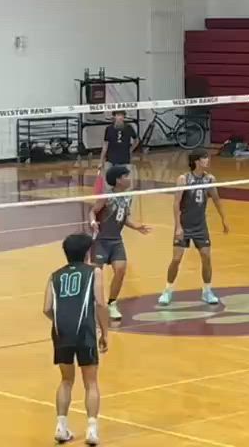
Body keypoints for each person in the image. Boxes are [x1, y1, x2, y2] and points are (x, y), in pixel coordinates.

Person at [44, 233, 109, 445]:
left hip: (61, 332)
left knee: (66, 380)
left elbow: (46, 308)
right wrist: (105, 333)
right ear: (87, 253)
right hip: (85, 331)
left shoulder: (54, 276)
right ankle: (91, 430)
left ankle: (61, 427)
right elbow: (101, 304)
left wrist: (62, 321)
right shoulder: (94, 272)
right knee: (91, 382)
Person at [159, 149, 229, 306]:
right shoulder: (184, 179)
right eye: (205, 158)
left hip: (200, 226)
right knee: (176, 259)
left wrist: (224, 219)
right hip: (184, 225)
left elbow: (216, 199)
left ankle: (207, 291)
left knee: (206, 257)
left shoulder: (210, 179)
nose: (207, 160)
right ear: (197, 161)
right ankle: (167, 290)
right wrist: (178, 227)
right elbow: (176, 203)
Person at [88, 165, 151, 321]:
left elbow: (124, 217)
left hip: (116, 241)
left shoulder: (128, 197)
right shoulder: (106, 196)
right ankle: (91, 303)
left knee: (121, 270)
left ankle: (112, 303)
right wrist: (93, 222)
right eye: (126, 176)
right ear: (118, 180)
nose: (129, 179)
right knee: (95, 274)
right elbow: (92, 211)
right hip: (101, 241)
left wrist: (136, 226)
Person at [99, 110, 139, 178]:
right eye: (118, 115)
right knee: (109, 178)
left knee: (123, 179)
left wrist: (131, 149)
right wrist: (101, 161)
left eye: (121, 115)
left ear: (124, 117)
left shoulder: (128, 127)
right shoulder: (109, 129)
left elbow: (136, 140)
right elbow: (105, 145)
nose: (120, 117)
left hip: (124, 159)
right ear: (114, 117)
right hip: (111, 159)